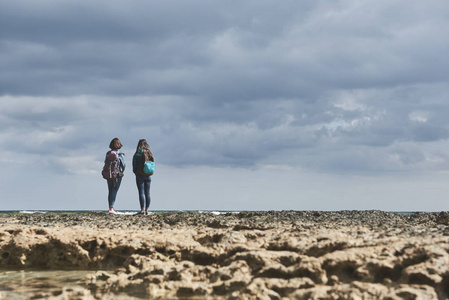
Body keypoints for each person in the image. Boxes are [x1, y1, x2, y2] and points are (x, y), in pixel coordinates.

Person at [132, 139, 154, 215]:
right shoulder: (149, 153)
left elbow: (134, 165)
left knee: (141, 192)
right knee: (147, 193)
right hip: (148, 175)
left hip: (140, 174)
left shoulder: (137, 154)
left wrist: (136, 172)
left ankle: (142, 210)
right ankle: (147, 210)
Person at [106, 138, 125, 215]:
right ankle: (111, 208)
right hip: (117, 175)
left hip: (109, 174)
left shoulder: (108, 153)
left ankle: (110, 207)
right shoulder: (120, 154)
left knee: (110, 190)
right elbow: (123, 165)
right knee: (114, 190)